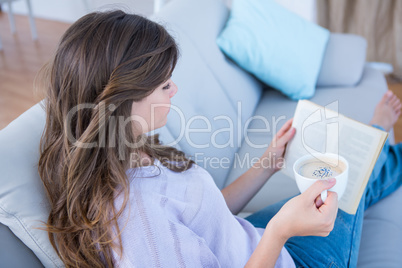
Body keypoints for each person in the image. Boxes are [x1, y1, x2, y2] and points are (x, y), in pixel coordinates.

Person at [37, 10, 402, 268]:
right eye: (164, 85)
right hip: (285, 255)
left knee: (339, 172)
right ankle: (379, 136)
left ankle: (378, 146)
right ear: (122, 101)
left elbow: (205, 214)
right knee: (353, 171)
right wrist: (280, 231)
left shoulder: (127, 151)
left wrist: (266, 166)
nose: (174, 89)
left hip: (248, 238)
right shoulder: (137, 224)